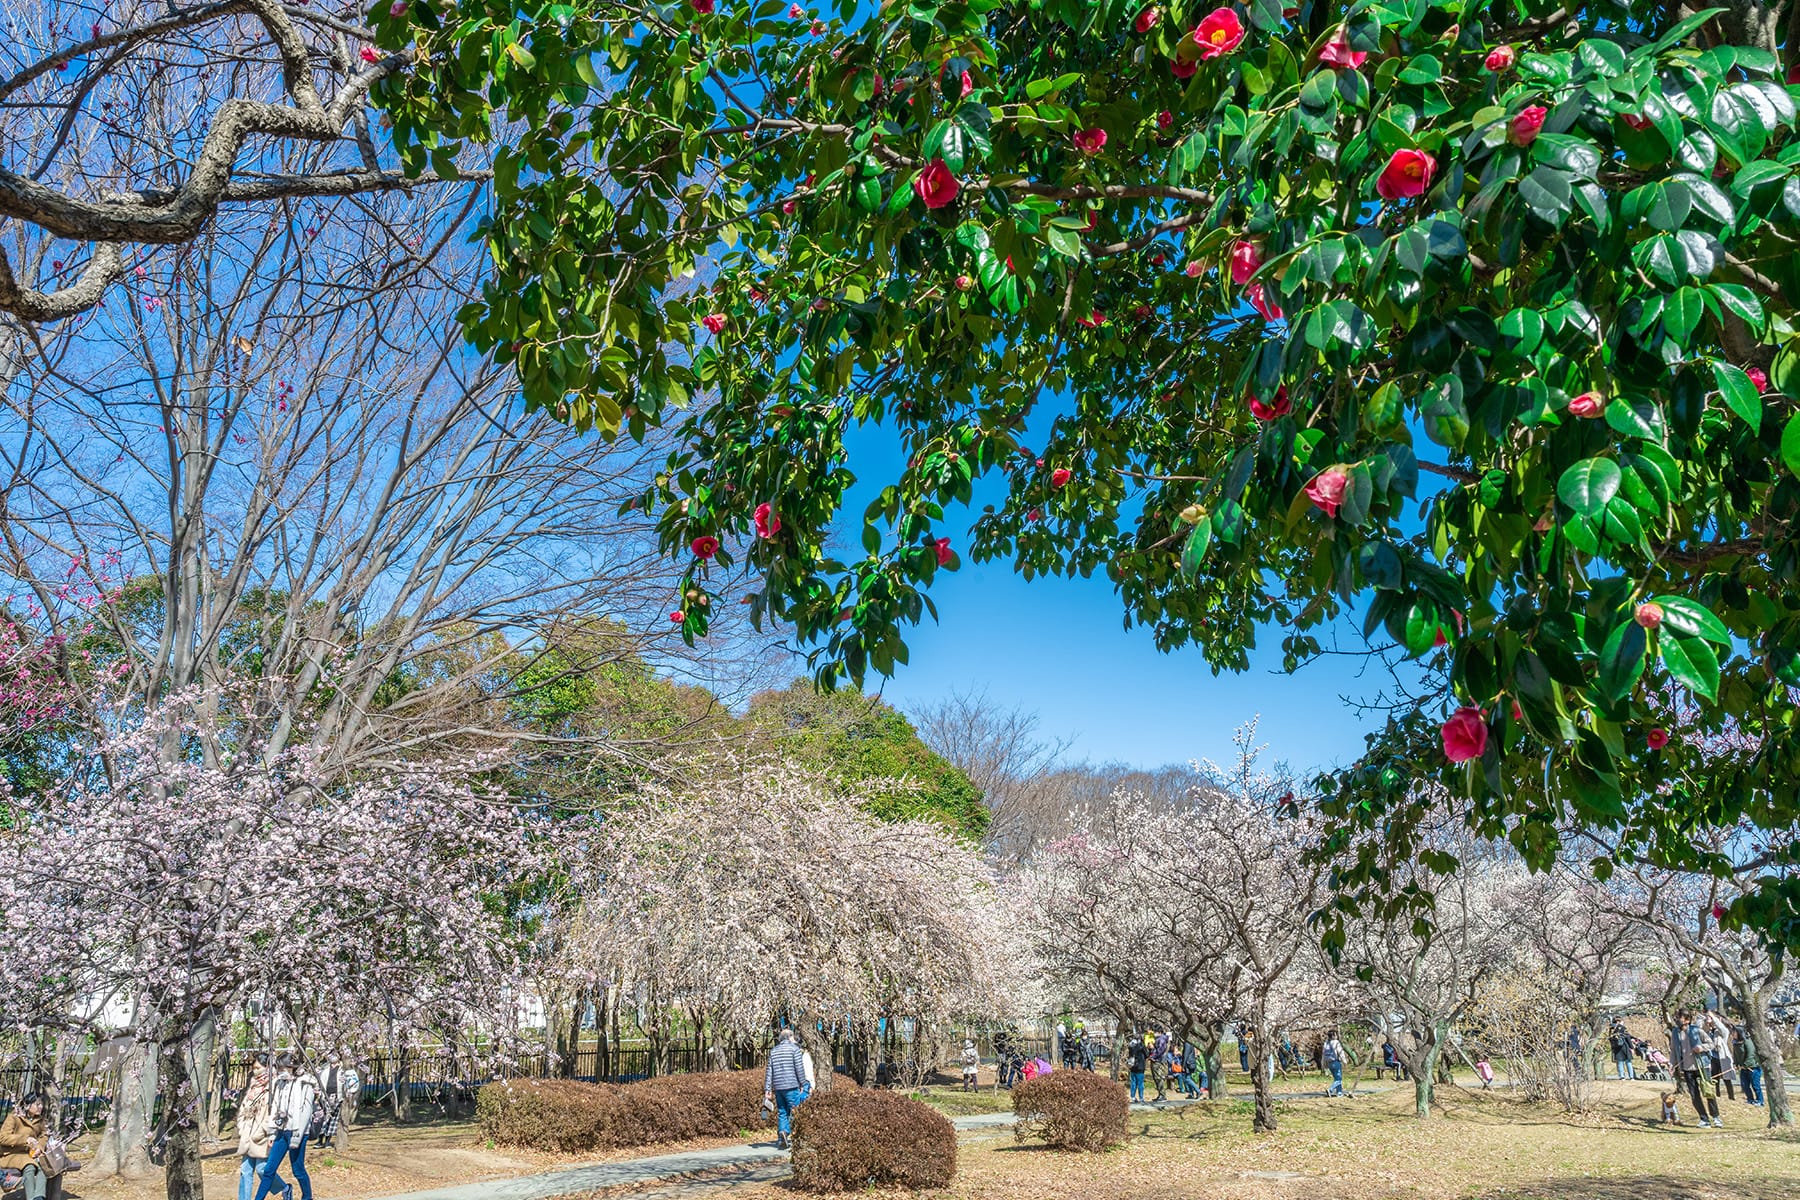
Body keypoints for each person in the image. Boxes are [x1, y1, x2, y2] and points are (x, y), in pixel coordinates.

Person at [253, 1052, 318, 1200]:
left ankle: (307, 1197)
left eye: (282, 1068)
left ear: (291, 1067)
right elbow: (275, 1106)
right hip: (282, 1131)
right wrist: (272, 1132)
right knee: (269, 1169)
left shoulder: (305, 1083)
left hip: (297, 1132)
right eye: (278, 1068)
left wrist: (297, 1136)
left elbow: (305, 1112)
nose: (280, 1071)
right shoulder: (280, 1083)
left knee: (298, 1170)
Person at [0, 1093, 65, 1200]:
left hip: (30, 1153)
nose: (41, 1107)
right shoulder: (14, 1117)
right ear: (27, 1105)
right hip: (11, 1153)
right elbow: (2, 1138)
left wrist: (39, 1147)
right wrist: (25, 1139)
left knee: (44, 1166)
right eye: (37, 1104)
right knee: (29, 1166)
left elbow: (44, 1135)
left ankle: (38, 1197)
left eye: (41, 1104)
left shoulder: (40, 1119)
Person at [1670, 1010, 1720, 1128]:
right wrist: (1672, 1064)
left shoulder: (1697, 1030)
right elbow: (1673, 1050)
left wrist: (1701, 1048)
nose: (1677, 1020)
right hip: (1687, 1068)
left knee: (1708, 1092)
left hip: (1702, 1066)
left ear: (1687, 1020)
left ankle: (1716, 1117)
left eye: (1679, 1017)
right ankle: (1704, 1119)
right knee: (1694, 1095)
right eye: (1676, 1017)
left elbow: (1711, 1044)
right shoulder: (1675, 1033)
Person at [762, 1030, 808, 1150]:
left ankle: (783, 1133)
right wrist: (803, 1083)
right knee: (796, 1111)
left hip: (778, 1087)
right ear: (790, 1037)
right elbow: (799, 1068)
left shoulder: (774, 1051)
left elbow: (769, 1072)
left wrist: (768, 1088)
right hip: (792, 1085)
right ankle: (799, 1137)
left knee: (782, 1112)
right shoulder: (794, 1050)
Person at [237, 1061, 276, 1200]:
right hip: (248, 1133)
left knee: (262, 1169)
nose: (256, 1071)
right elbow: (243, 1108)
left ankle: (283, 1188)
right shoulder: (253, 1086)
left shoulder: (273, 1086)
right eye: (254, 1068)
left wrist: (264, 1130)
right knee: (245, 1170)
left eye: (259, 1068)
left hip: (262, 1135)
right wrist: (241, 1128)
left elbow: (274, 1112)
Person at [1735, 1026, 1765, 1106]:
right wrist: (1736, 1064)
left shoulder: (1748, 1041)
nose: (1732, 1034)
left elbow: (1751, 1054)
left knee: (1755, 1085)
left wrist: (1746, 1065)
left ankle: (1760, 1100)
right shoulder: (1735, 1043)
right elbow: (1735, 1055)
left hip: (1753, 1068)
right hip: (1743, 1068)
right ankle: (1750, 1099)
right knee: (1744, 1085)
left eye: (1734, 1032)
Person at [1322, 1030, 1346, 1097]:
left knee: (1336, 1078)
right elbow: (1340, 1052)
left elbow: (1323, 1054)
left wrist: (1324, 1064)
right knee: (1339, 1079)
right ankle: (1330, 1089)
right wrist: (1344, 1061)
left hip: (1329, 1063)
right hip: (1336, 1062)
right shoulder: (1336, 1042)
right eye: (1335, 1035)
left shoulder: (1326, 1043)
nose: (1336, 1036)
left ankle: (1339, 1093)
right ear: (1333, 1036)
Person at [1126, 1034, 1149, 1103]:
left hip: (1132, 1066)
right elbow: (1146, 1055)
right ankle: (1141, 1097)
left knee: (1133, 1082)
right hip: (1140, 1066)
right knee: (1140, 1083)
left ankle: (1133, 1097)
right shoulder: (1141, 1046)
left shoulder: (1131, 1045)